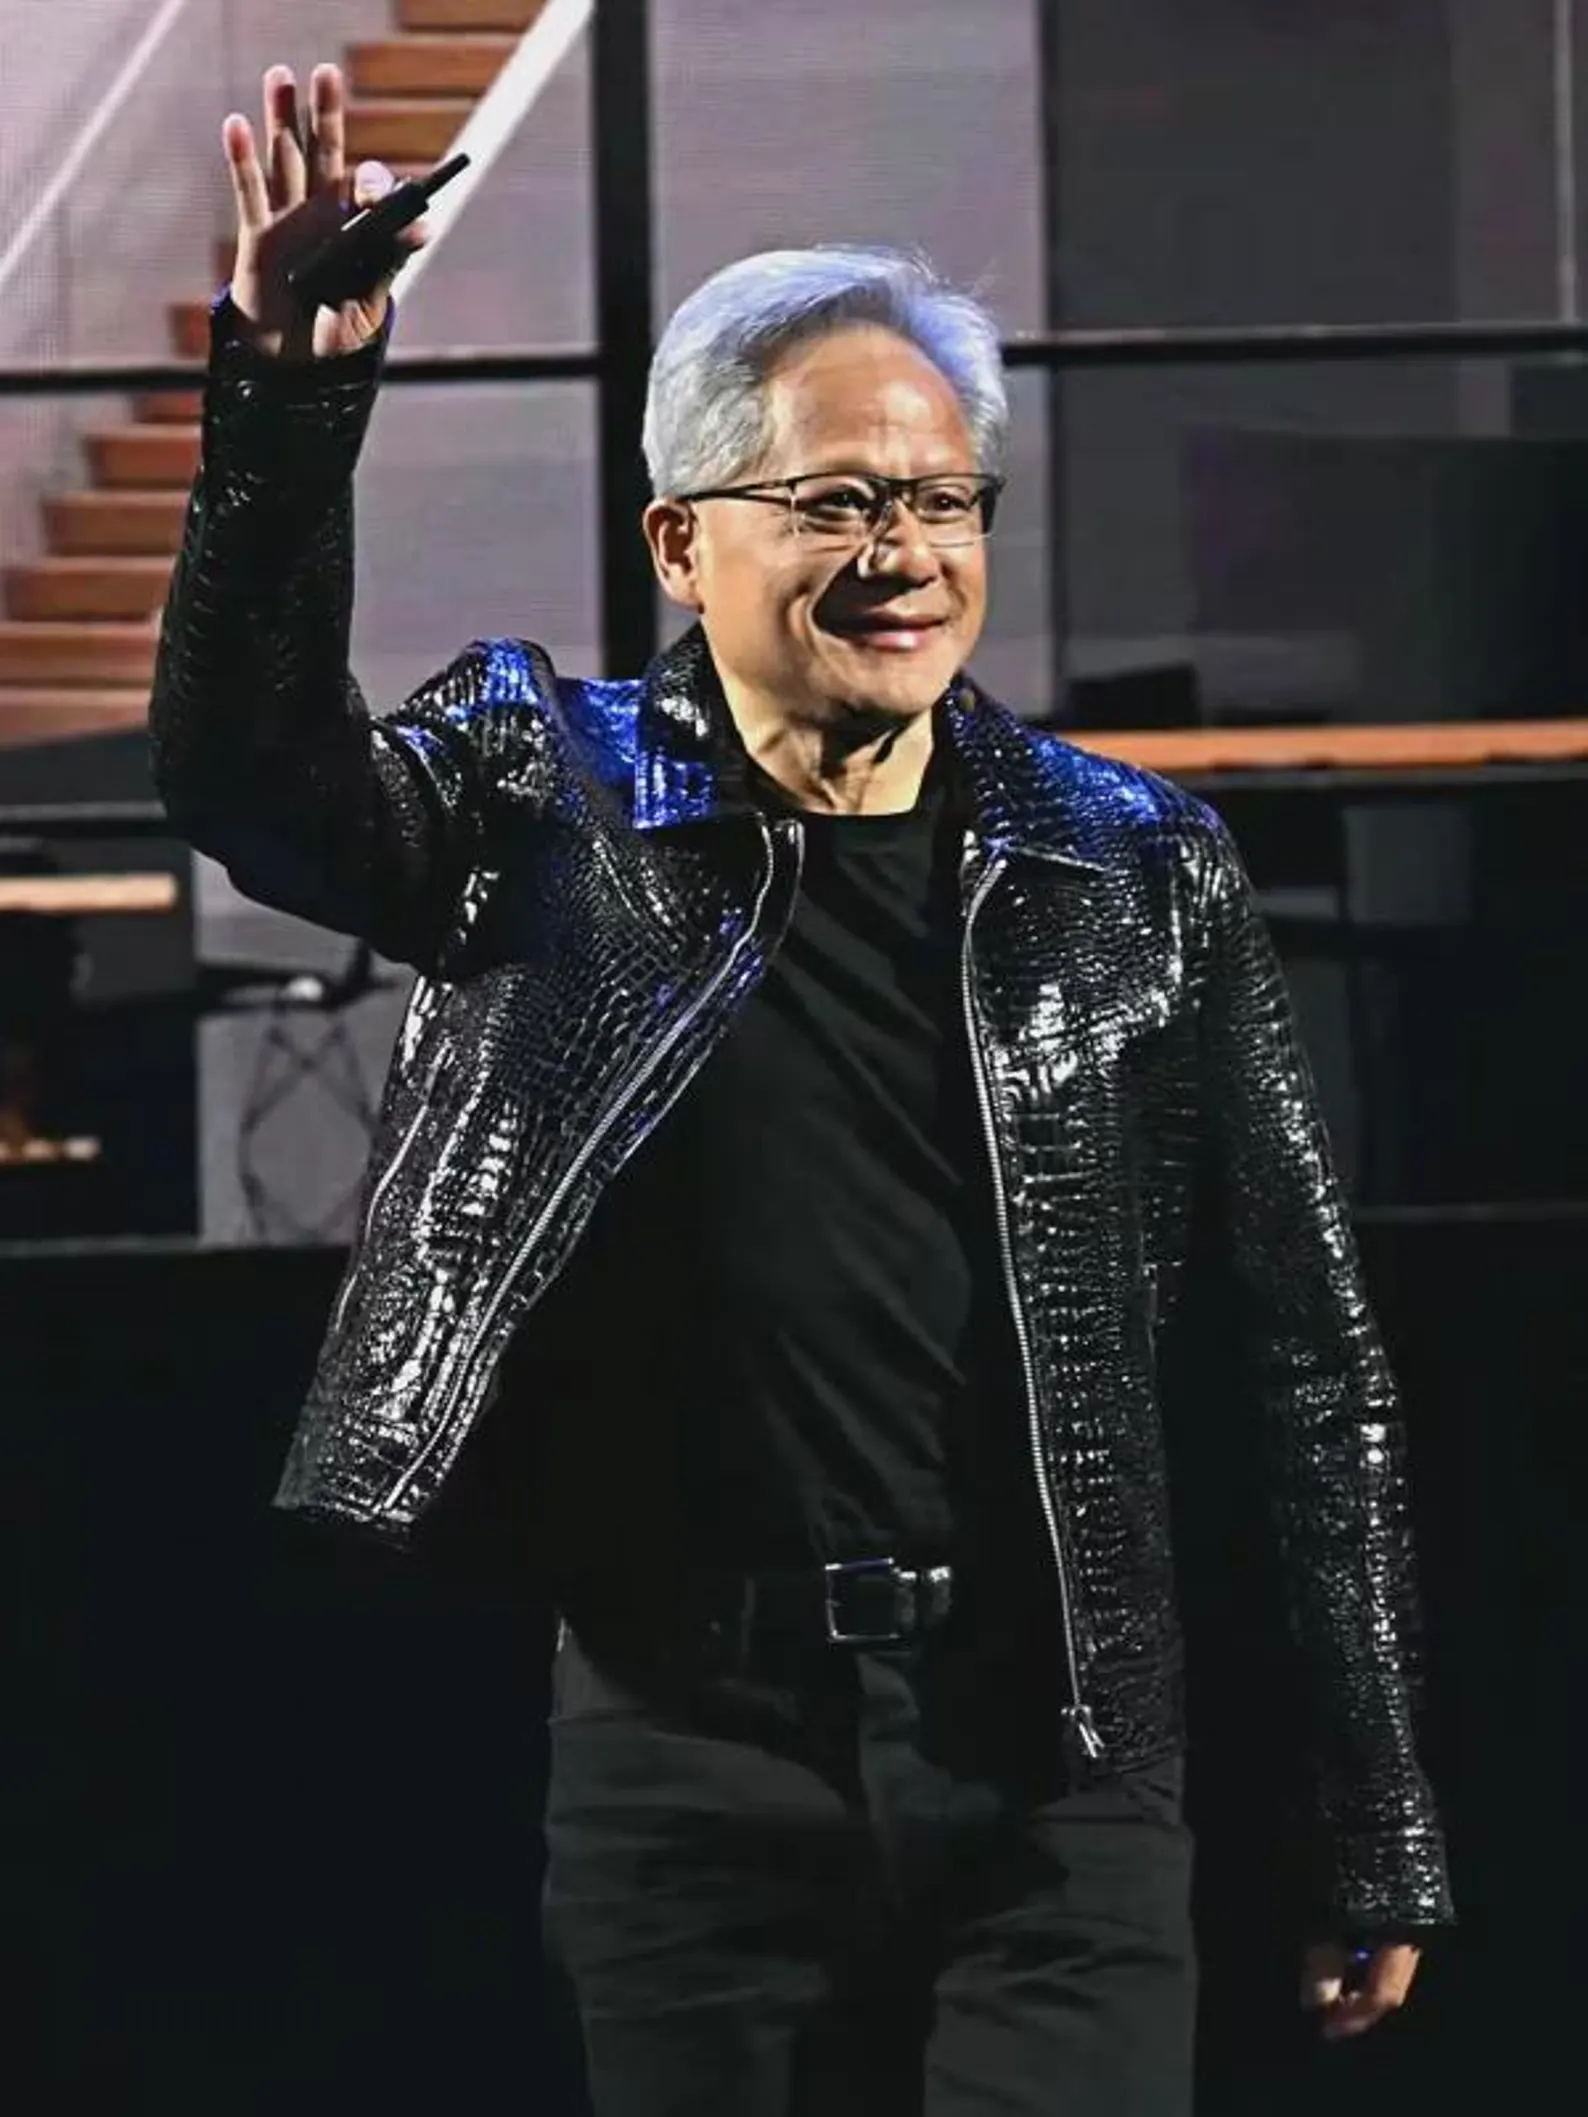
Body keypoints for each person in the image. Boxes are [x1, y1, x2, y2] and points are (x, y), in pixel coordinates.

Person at [150, 59, 1453, 2117]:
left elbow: (1310, 1363)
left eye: (939, 500)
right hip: (689, 1748)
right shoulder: (537, 789)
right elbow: (250, 784)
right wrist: (289, 403)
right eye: (834, 500)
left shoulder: (1131, 867)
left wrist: (1367, 1803)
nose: (902, 552)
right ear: (680, 538)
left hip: (1058, 1747)